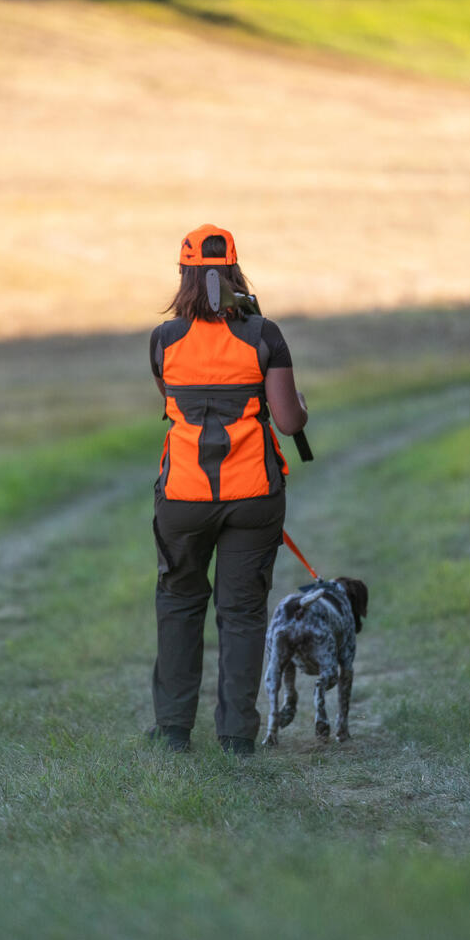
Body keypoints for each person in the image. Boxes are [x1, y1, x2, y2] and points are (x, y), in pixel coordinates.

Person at [148, 224, 308, 754]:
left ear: (185, 275)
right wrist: (298, 401)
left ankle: (173, 730)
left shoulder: (164, 341)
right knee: (241, 614)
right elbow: (287, 422)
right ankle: (237, 736)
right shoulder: (264, 335)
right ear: (235, 272)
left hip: (183, 495)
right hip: (252, 494)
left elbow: (170, 404)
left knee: (179, 604)